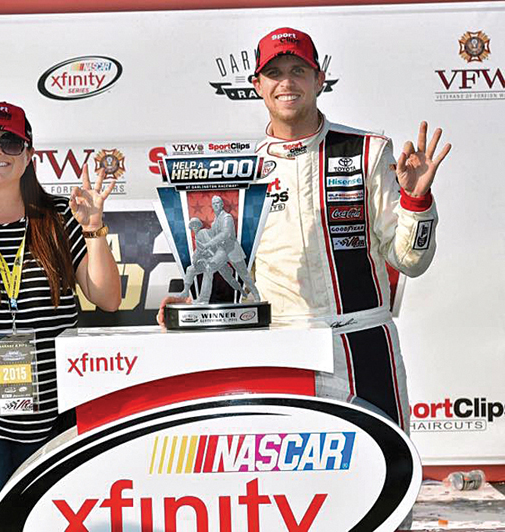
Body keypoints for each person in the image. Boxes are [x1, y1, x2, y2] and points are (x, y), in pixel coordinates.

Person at [160, 27, 450, 435]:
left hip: (362, 341)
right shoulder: (244, 171)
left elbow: (410, 262)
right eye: (275, 72)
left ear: (319, 79)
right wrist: (192, 305)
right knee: (291, 486)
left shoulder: (368, 150)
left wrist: (416, 203)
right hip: (280, 349)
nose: (287, 82)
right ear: (257, 85)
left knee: (385, 474)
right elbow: (234, 279)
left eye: (298, 69)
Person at [0, 102, 121, 531]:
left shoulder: (59, 218)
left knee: (47, 522)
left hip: (53, 410)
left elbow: (107, 297)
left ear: (28, 153)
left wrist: (94, 228)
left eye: (10, 141)